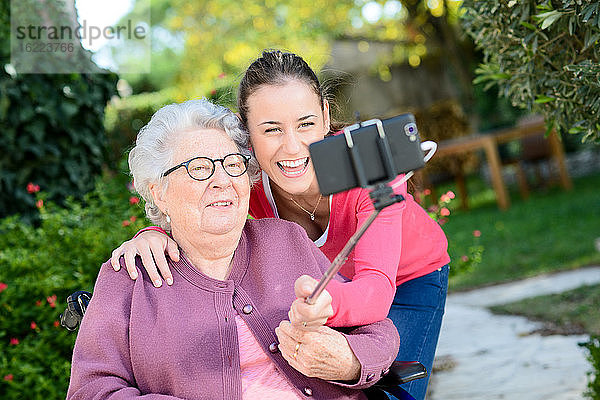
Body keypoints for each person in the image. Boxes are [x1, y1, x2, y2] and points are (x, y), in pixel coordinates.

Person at [111, 50, 450, 400]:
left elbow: (376, 292)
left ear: (325, 116)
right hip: (327, 285)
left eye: (305, 124)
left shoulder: (368, 170)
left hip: (408, 278)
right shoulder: (245, 181)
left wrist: (326, 300)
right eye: (271, 129)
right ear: (246, 134)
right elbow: (196, 214)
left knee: (391, 390)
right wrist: (152, 233)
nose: (292, 147)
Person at [67, 99, 400, 400]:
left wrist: (349, 361)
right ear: (158, 192)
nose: (222, 179)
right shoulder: (127, 278)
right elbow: (91, 390)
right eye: (198, 168)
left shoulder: (286, 241)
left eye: (232, 163)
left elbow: (377, 330)